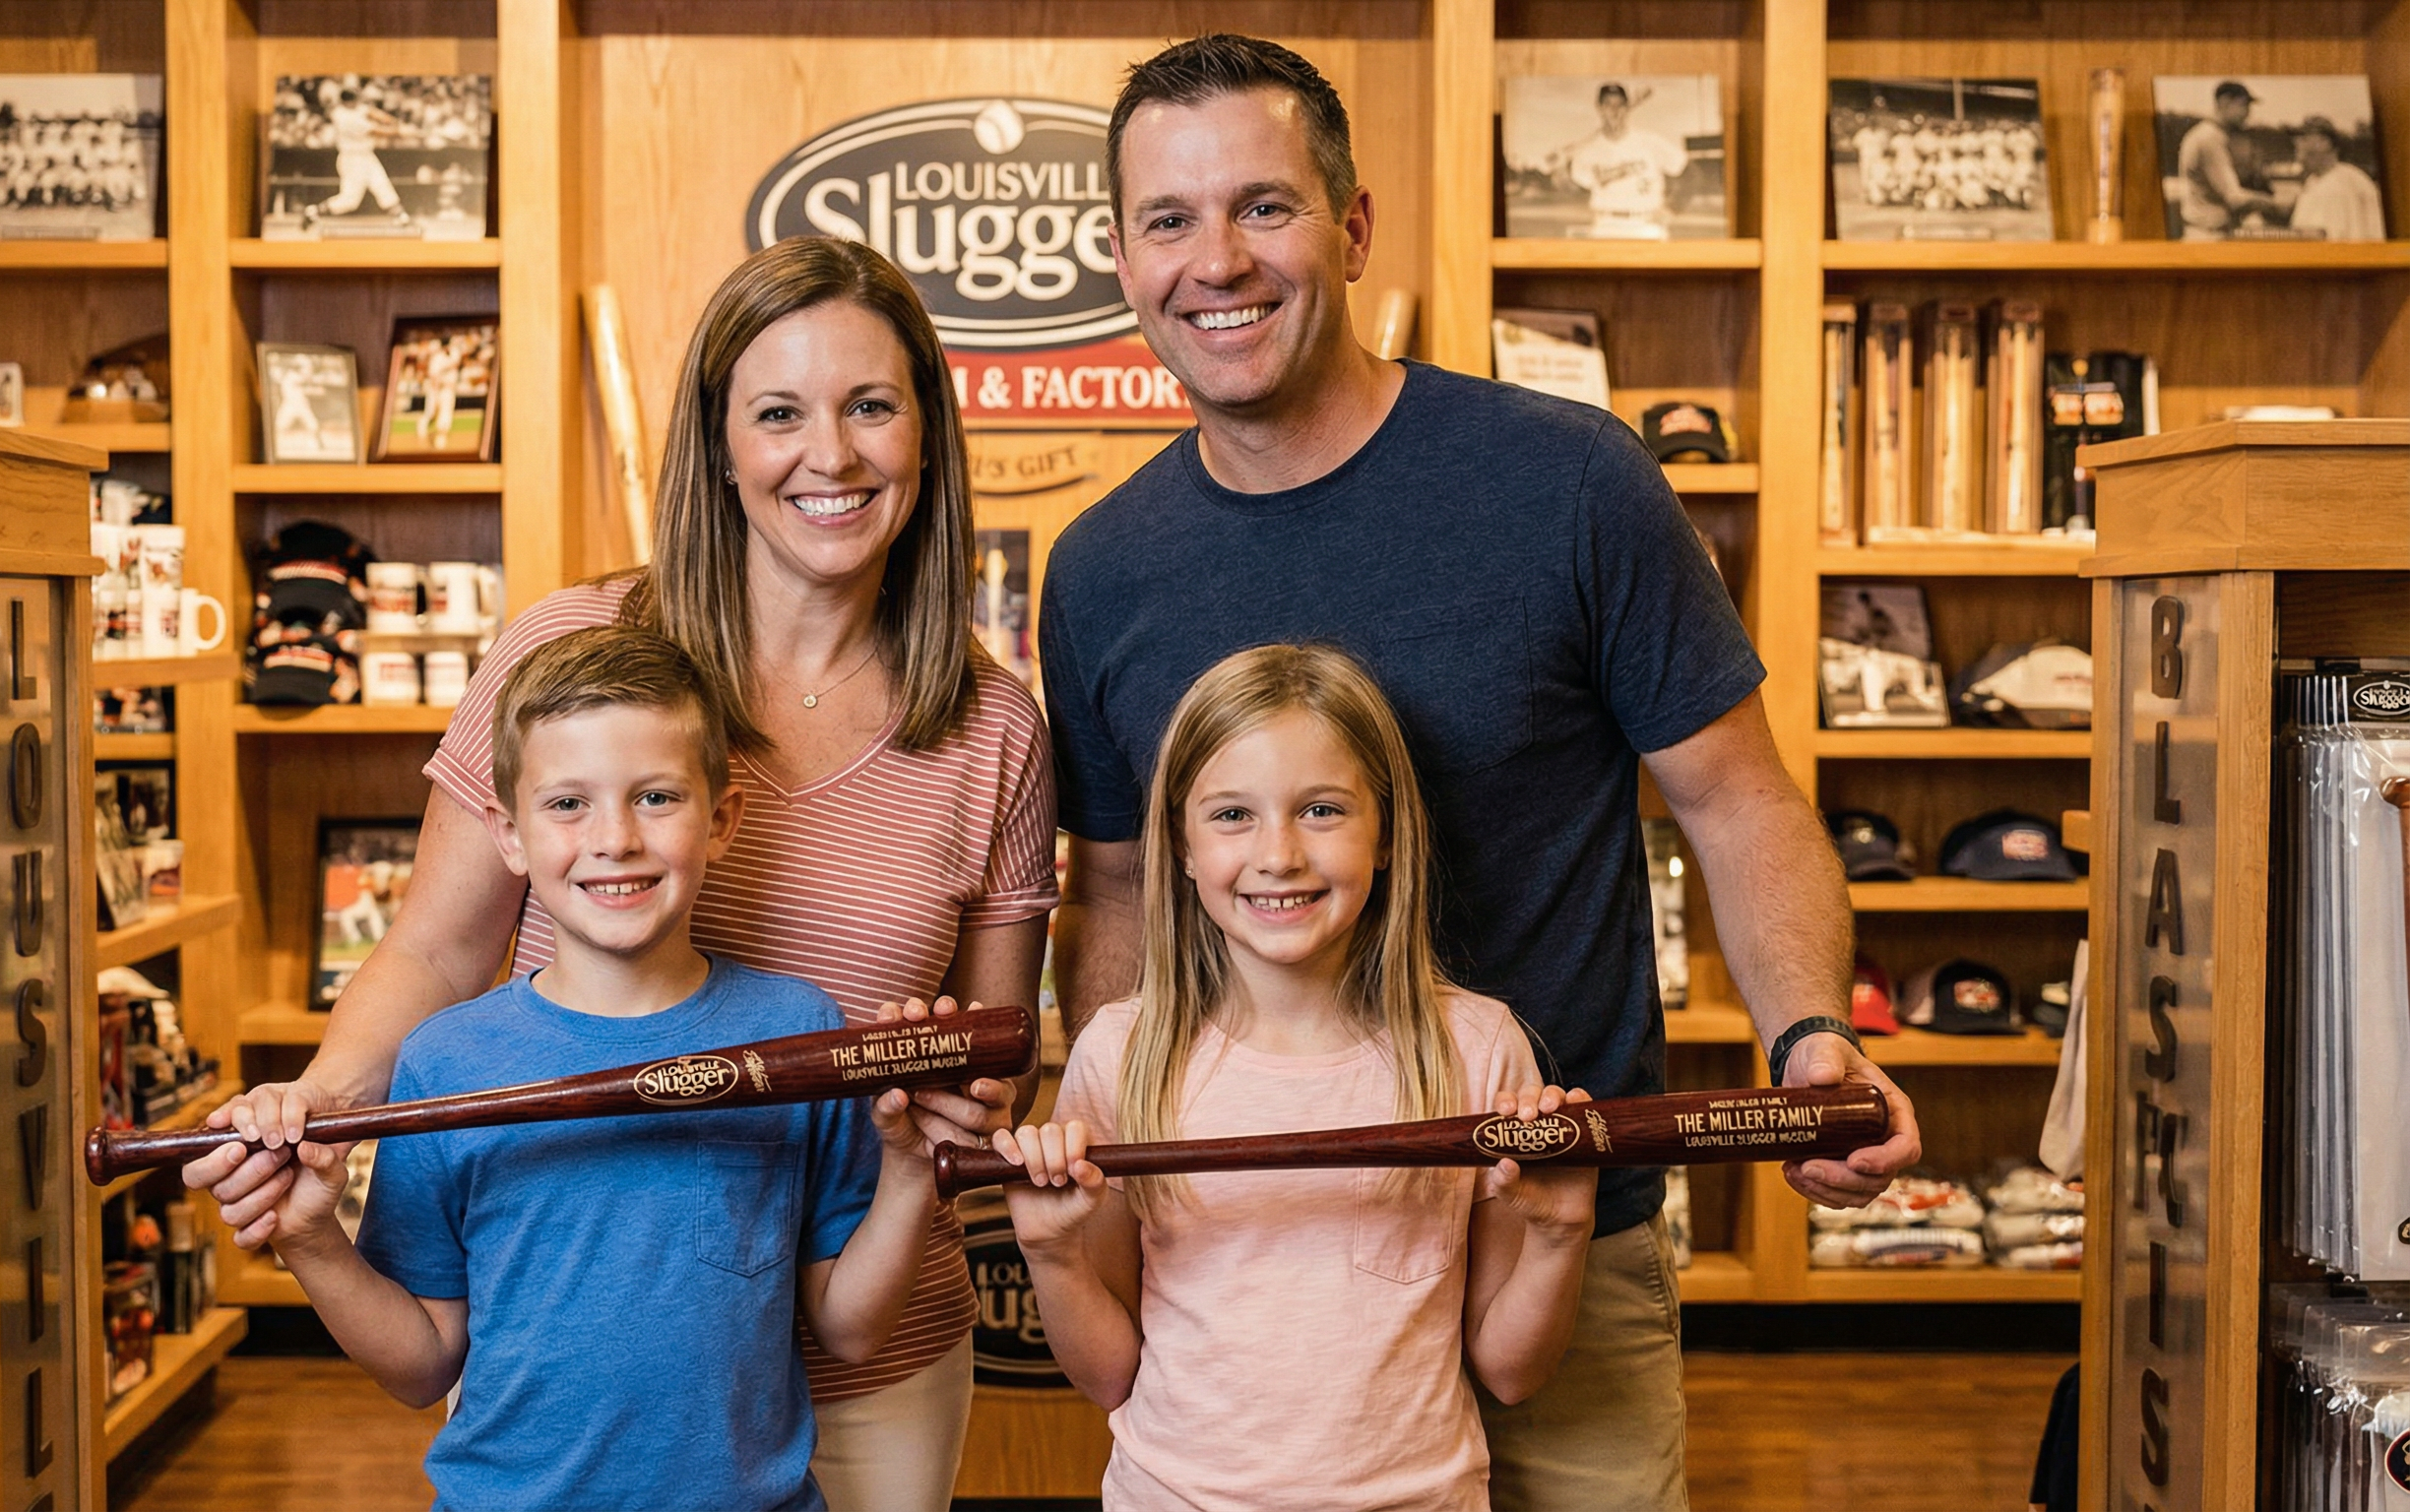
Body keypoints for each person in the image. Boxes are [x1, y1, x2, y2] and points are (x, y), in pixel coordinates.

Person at [1040, 35, 1923, 1511]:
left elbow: (1738, 799)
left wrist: (1811, 1039)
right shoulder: (1100, 568)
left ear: (1354, 226)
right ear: (1121, 257)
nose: (1217, 262)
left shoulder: (1570, 481)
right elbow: (1116, 893)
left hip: (1550, 1222)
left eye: (1264, 206)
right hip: (1255, 1266)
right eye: (1169, 221)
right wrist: (1122, 1167)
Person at [187, 233, 1055, 1512]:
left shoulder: (995, 725)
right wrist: (312, 1112)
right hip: (593, 1336)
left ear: (928, 438)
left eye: (872, 406)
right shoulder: (575, 650)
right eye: (779, 413)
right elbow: (435, 951)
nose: (832, 453)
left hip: (872, 1343)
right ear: (718, 445)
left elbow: (997, 1044)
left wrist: (952, 1097)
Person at [254, 624, 946, 1511]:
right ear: (508, 834)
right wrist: (309, 1239)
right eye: (567, 805)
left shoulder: (799, 1037)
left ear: (721, 819)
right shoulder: (447, 1059)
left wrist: (909, 1166)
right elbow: (422, 1363)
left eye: (656, 797)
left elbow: (849, 1330)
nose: (614, 839)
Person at [998, 644, 1595, 1510]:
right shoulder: (1122, 1055)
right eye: (1233, 815)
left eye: (1321, 810)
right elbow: (1108, 1375)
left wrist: (1561, 1231)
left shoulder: (1476, 1048)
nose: (1278, 854)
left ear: (1386, 834)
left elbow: (1510, 1370)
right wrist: (1051, 1255)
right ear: (1182, 846)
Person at [1556, 82, 1685, 238]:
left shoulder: (1650, 142)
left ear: (1627, 109)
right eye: (1608, 105)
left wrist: (1673, 208)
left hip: (1646, 224)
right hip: (1604, 224)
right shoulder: (1587, 151)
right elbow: (1577, 188)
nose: (1614, 110)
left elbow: (1691, 172)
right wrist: (1562, 173)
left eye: (1620, 105)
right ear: (1599, 108)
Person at [2175, 81, 2281, 239]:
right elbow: (2235, 198)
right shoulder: (2209, 138)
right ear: (2224, 103)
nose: (2247, 113)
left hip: (2210, 231)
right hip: (2207, 235)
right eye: (2243, 105)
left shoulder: (2212, 135)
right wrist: (2276, 204)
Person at [305, 82, 414, 230]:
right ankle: (313, 212)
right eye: (355, 99)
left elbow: (374, 113)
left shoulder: (353, 108)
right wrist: (401, 131)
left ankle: (401, 216)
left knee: (382, 185)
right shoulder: (345, 118)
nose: (359, 101)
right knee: (349, 201)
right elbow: (377, 131)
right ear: (347, 101)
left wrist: (396, 122)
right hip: (352, 159)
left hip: (366, 156)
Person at [2289, 114, 2384, 241]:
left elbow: (2332, 241)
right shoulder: (2314, 180)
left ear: (2325, 143)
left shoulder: (2344, 183)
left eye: (2304, 138)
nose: (2296, 143)